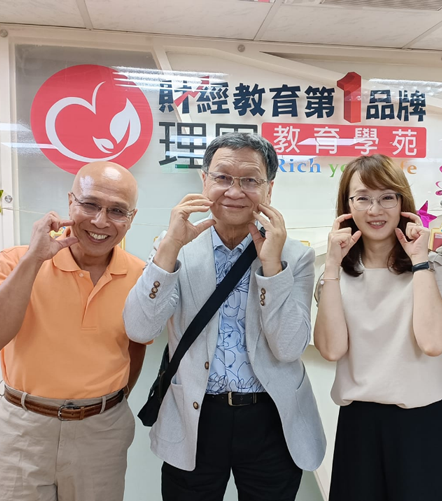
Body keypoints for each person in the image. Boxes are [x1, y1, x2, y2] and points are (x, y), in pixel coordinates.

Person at [123, 133, 325, 500]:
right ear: (204, 180)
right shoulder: (175, 246)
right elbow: (139, 328)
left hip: (272, 418)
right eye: (222, 177)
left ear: (269, 189)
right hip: (196, 414)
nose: (234, 191)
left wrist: (272, 267)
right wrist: (169, 247)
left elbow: (289, 347)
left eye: (250, 180)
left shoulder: (295, 256)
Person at [0, 161, 148, 501]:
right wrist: (33, 260)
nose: (101, 221)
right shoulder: (16, 260)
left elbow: (135, 347)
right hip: (22, 427)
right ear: (70, 202)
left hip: (102, 430)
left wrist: (108, 404)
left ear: (131, 218)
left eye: (116, 211)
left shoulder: (141, 275)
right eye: (90, 204)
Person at [313, 155, 442, 501]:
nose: (375, 210)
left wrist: (419, 260)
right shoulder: (334, 275)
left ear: (402, 202)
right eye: (362, 198)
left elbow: (433, 341)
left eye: (386, 198)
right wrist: (332, 265)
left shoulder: (437, 266)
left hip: (426, 422)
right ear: (347, 207)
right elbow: (332, 349)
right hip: (360, 423)